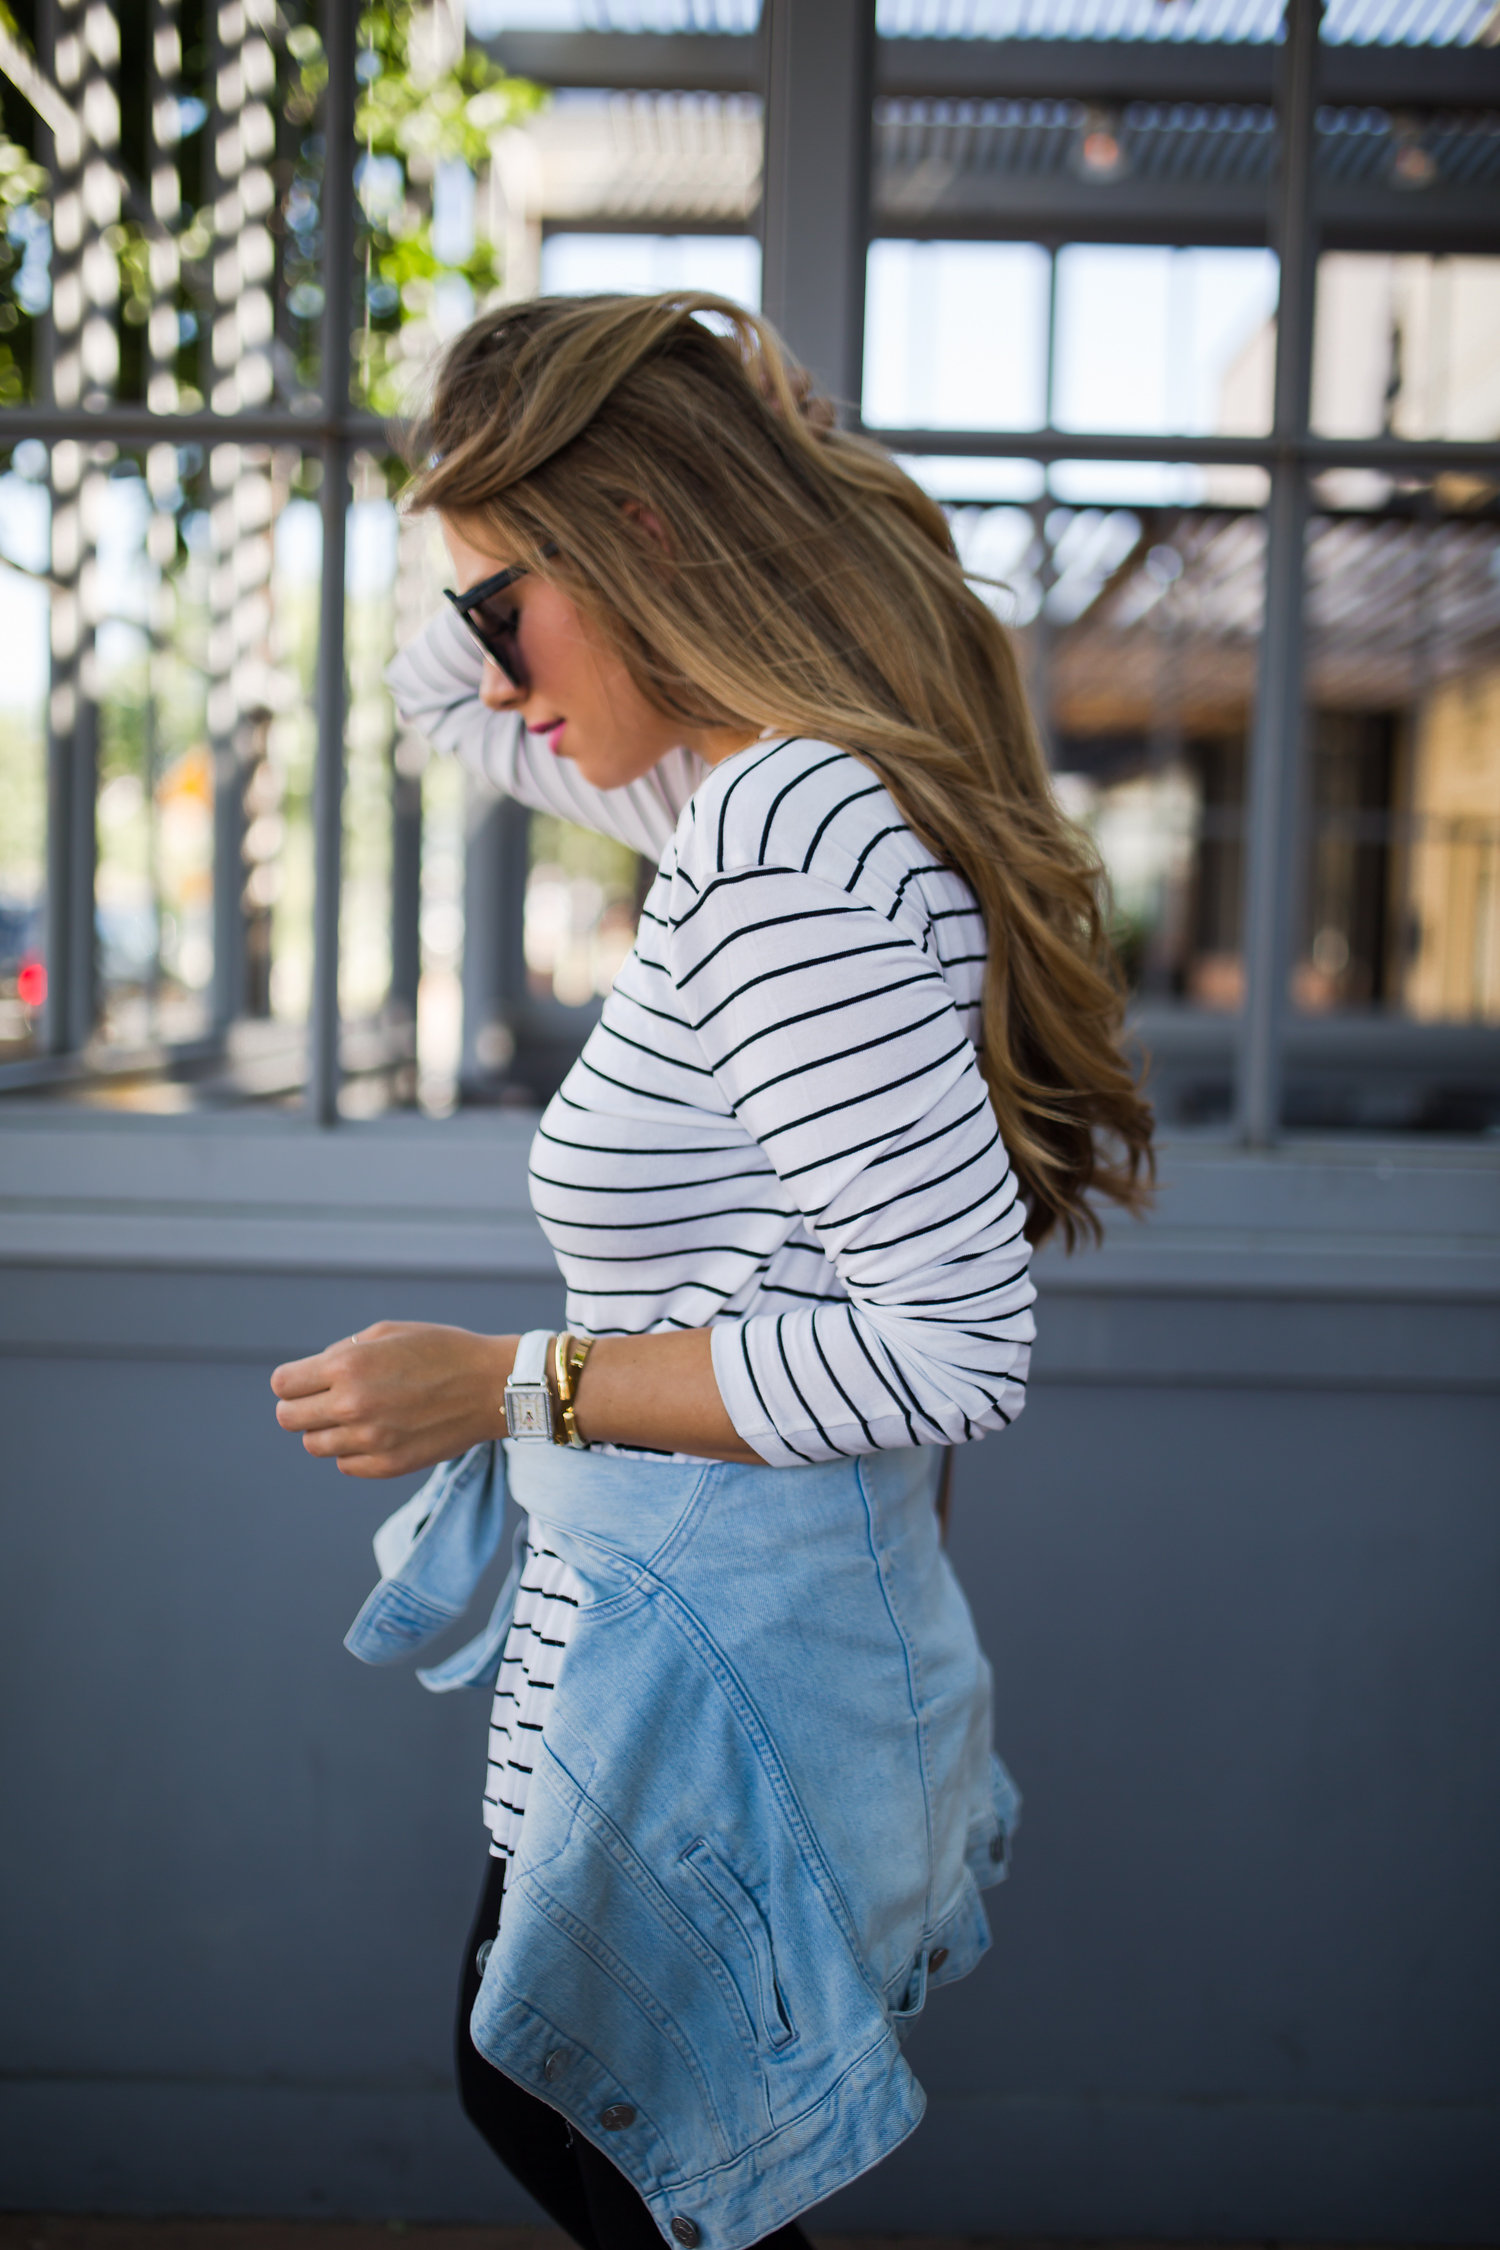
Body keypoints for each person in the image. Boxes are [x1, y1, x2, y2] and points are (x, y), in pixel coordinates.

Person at [270, 292, 1153, 2250]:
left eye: (511, 609)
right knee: (585, 2127)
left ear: (645, 535)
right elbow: (434, 707)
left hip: (714, 1676)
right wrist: (673, 473)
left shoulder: (779, 849)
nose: (493, 679)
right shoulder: (745, 793)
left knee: (568, 2116)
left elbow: (949, 1349)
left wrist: (510, 1381)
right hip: (678, 1648)